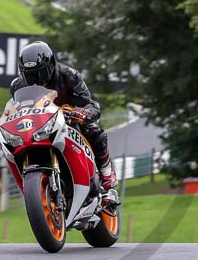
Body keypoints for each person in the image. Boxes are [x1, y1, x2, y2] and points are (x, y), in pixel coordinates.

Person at [9, 41, 117, 193]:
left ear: (51, 65)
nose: (37, 79)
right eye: (31, 75)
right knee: (10, 144)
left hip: (69, 123)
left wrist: (81, 113)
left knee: (94, 130)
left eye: (41, 72)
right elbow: (13, 112)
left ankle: (106, 172)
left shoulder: (70, 76)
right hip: (37, 128)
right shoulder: (17, 86)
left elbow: (91, 105)